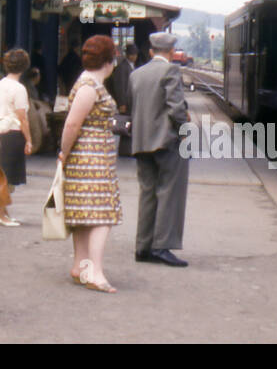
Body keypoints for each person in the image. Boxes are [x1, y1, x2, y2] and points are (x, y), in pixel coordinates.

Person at [58, 34, 122, 293]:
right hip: (89, 157)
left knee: (84, 214)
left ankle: (80, 266)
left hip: (92, 157)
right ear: (109, 60)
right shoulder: (89, 86)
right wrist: (64, 152)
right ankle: (94, 271)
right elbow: (72, 123)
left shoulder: (89, 83)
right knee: (101, 215)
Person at [129, 33, 190, 267]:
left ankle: (142, 247)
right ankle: (162, 246)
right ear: (172, 52)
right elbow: (175, 109)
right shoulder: (171, 72)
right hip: (166, 141)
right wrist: (185, 132)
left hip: (141, 142)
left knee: (147, 192)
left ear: (152, 51)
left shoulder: (136, 74)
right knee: (169, 193)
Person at [0, 48, 33, 225]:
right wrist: (29, 140)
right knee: (8, 176)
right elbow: (22, 117)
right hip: (13, 132)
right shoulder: (19, 89)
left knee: (2, 173)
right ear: (25, 67)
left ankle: (3, 213)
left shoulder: (0, 84)